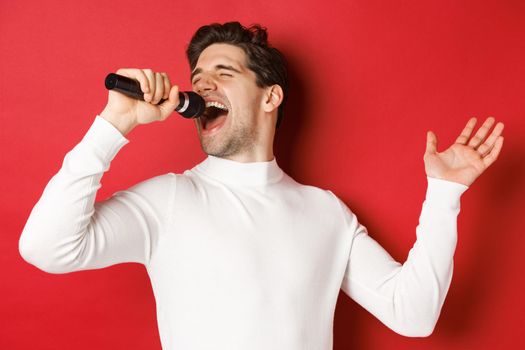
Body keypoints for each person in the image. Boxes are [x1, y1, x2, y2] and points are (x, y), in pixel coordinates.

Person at [19, 21, 504, 349]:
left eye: (223, 73)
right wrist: (113, 123)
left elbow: (412, 315)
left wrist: (444, 194)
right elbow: (46, 248)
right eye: (198, 76)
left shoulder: (325, 212)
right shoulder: (167, 199)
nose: (203, 85)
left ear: (270, 96)